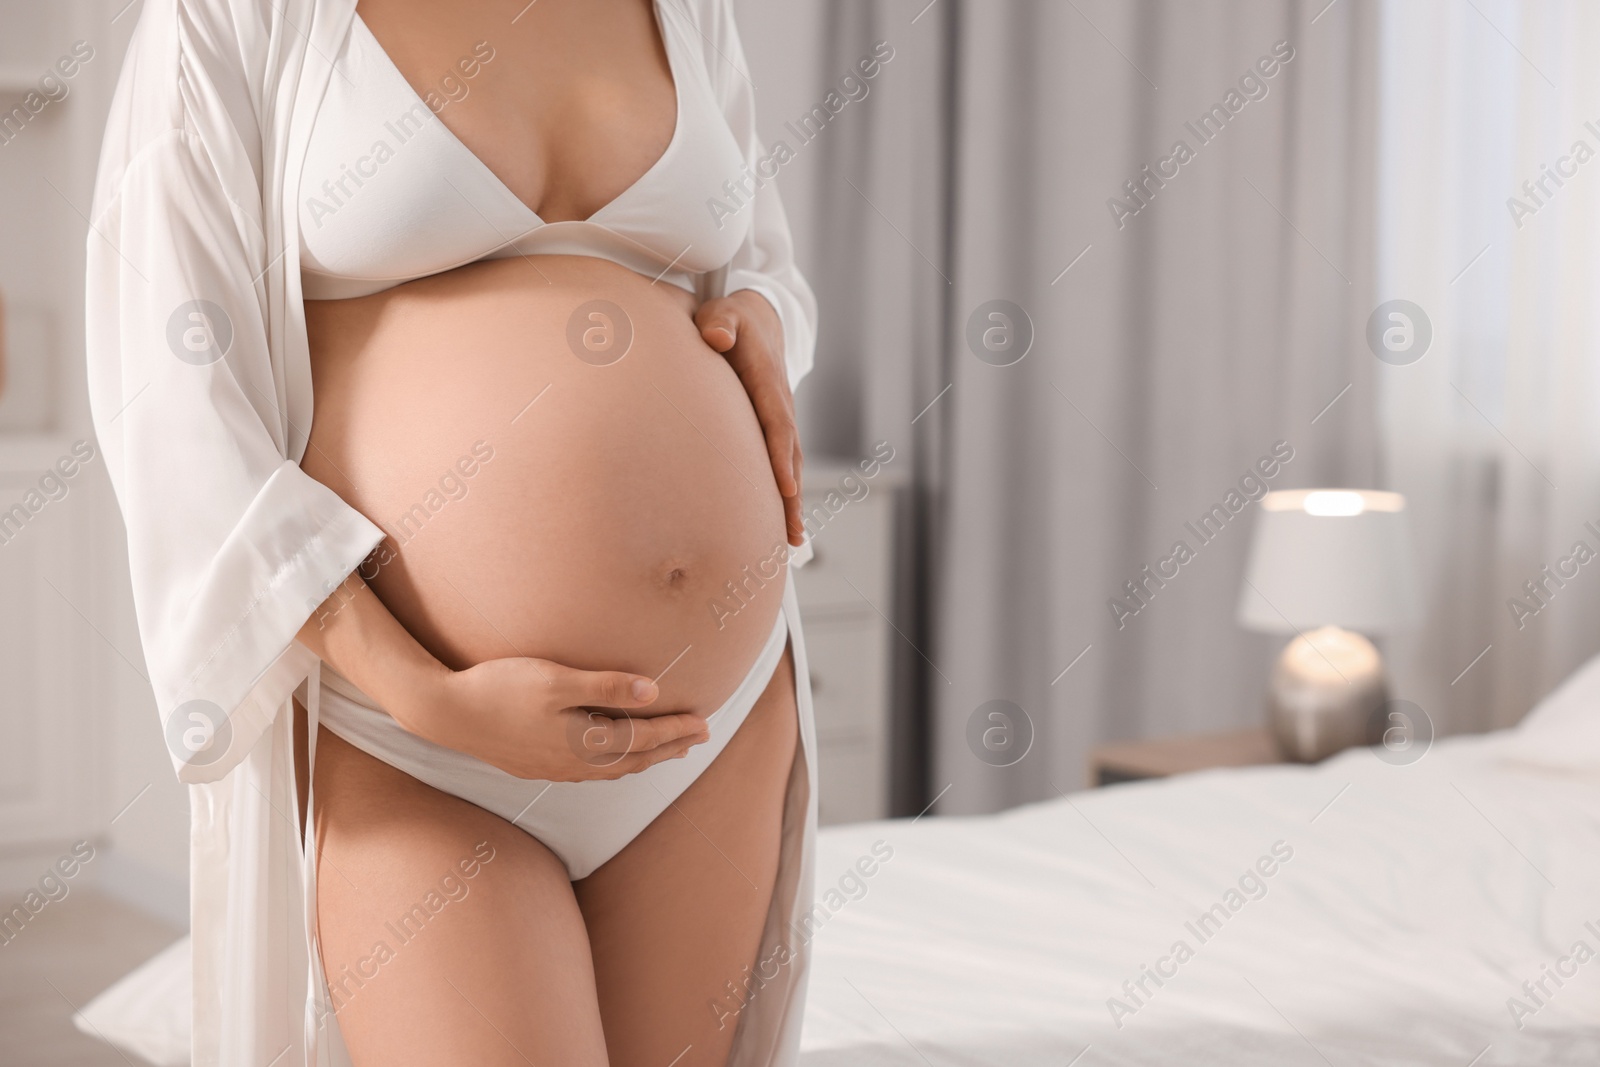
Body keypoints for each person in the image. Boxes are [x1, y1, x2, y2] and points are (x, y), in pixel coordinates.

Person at [86, 1, 819, 1064]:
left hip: (709, 730)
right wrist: (421, 691)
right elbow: (172, 382)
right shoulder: (235, 13)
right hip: (412, 739)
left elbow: (760, 259)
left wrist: (763, 314)